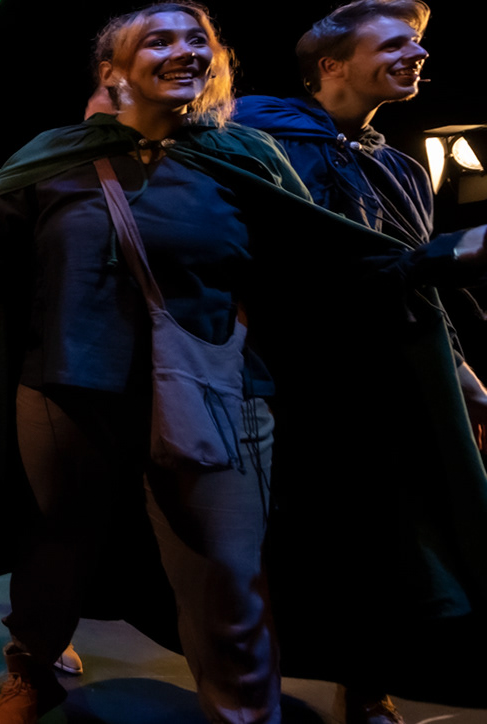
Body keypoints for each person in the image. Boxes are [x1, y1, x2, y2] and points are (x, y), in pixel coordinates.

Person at [0, 3, 487, 721]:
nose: (185, 51)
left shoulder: (244, 156)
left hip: (218, 394)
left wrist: (446, 256)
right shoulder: (58, 155)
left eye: (198, 41)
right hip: (68, 390)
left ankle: (243, 712)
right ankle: (30, 668)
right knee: (56, 547)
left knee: (228, 575)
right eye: (160, 40)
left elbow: (323, 260)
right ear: (113, 70)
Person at [235, 2, 487, 721]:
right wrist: (446, 256)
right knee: (291, 544)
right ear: (331, 65)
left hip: (390, 380)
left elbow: (414, 284)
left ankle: (366, 684)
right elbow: (294, 273)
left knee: (387, 543)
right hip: (294, 380)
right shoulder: (260, 144)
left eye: (420, 43)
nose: (418, 54)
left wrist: (461, 372)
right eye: (397, 43)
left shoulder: (399, 168)